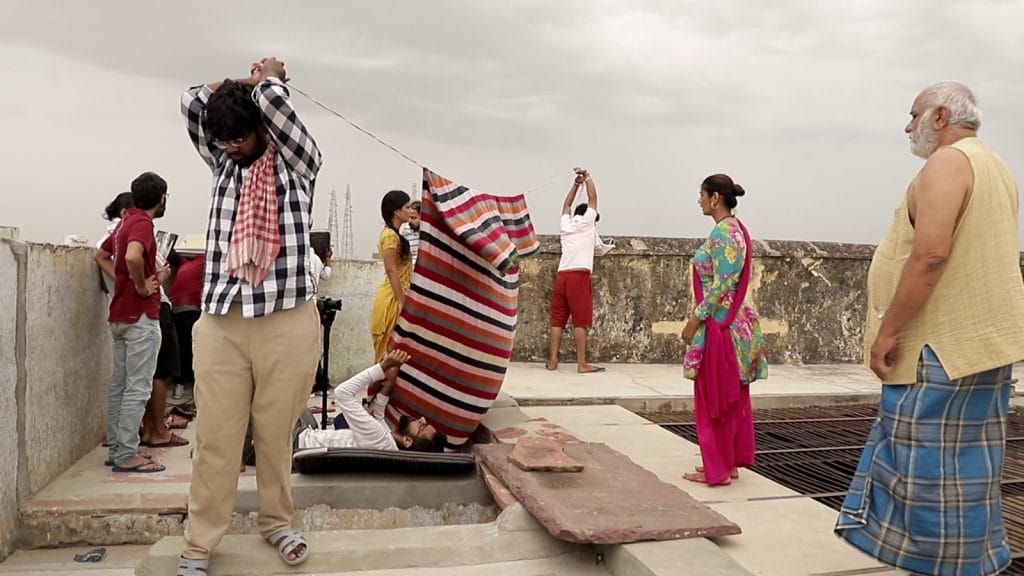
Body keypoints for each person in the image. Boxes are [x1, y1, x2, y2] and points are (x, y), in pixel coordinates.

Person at [835, 82, 1024, 576]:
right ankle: (973, 565)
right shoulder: (995, 166)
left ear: (940, 117)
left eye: (913, 114)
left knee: (921, 476)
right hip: (980, 346)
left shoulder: (948, 162)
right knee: (966, 475)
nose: (907, 126)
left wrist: (888, 331)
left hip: (938, 348)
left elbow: (932, 254)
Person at [178, 56, 323, 575]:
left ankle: (277, 523)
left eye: (239, 138)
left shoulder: (297, 165)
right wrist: (242, 82)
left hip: (285, 317)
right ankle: (199, 544)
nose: (230, 148)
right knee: (215, 437)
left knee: (274, 432)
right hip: (221, 320)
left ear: (261, 128)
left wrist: (271, 82)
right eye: (222, 141)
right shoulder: (223, 163)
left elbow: (282, 114)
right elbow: (191, 98)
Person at [680, 173, 768, 487]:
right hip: (733, 323)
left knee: (713, 396)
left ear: (715, 197)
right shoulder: (736, 230)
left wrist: (695, 318)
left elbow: (722, 284)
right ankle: (726, 463)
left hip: (721, 326)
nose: (699, 200)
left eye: (701, 194)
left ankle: (717, 468)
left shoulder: (723, 233)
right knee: (730, 395)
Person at [100, 172, 169, 473]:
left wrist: (129, 283)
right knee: (138, 387)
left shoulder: (124, 222)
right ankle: (127, 453)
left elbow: (101, 254)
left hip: (120, 314)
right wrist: (141, 286)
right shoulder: (142, 223)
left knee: (120, 385)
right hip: (140, 316)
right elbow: (132, 256)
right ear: (161, 198)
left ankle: (117, 447)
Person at [295, 350, 446, 452]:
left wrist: (382, 367)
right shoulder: (390, 446)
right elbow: (379, 416)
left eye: (422, 425)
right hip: (309, 434)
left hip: (297, 440)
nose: (422, 418)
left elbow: (342, 393)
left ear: (407, 441)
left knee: (285, 387)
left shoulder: (379, 438)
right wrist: (389, 383)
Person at [546, 167, 604, 373]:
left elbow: (566, 204)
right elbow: (593, 197)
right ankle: (582, 363)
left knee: (557, 320)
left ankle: (553, 361)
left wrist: (576, 183)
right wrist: (588, 177)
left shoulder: (566, 224)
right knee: (580, 321)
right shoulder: (589, 222)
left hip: (562, 276)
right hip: (579, 276)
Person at [369, 190, 413, 393]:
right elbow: (391, 270)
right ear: (396, 211)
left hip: (397, 295)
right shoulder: (389, 236)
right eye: (407, 207)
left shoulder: (397, 235)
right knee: (387, 355)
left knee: (395, 354)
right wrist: (401, 301)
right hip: (392, 299)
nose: (411, 210)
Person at [169, 252, 204, 399]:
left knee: (184, 346)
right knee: (187, 346)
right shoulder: (197, 261)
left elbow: (172, 256)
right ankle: (184, 382)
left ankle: (182, 382)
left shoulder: (194, 262)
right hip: (185, 309)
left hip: (181, 308)